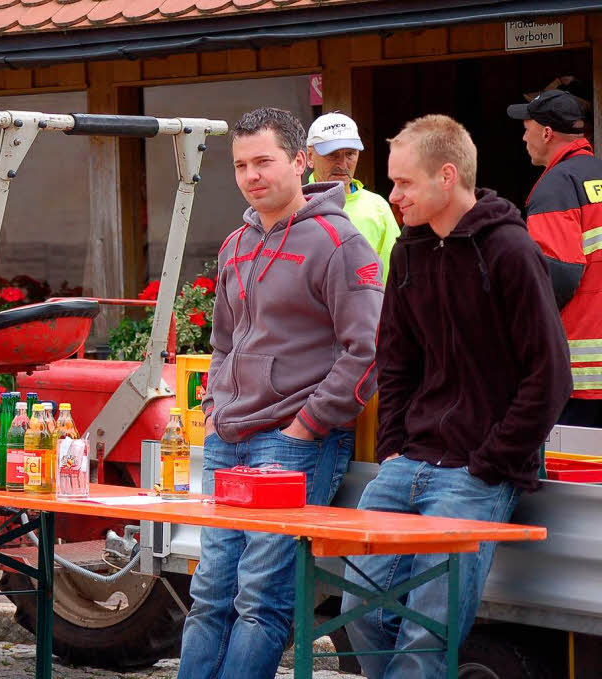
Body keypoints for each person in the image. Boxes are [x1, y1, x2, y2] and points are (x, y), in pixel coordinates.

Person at [342, 115, 571, 679]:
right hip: (408, 462)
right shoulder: (410, 253)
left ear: (448, 176)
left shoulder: (510, 250)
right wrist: (394, 443)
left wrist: (491, 461)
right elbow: (395, 360)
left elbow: (551, 375)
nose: (392, 196)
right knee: (358, 609)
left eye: (404, 183)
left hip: (476, 472)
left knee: (427, 631)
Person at [179, 108, 383, 679]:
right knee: (210, 595)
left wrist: (309, 424)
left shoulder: (340, 242)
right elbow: (221, 343)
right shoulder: (235, 245)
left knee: (260, 601)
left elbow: (366, 349)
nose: (251, 175)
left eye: (264, 161)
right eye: (241, 165)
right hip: (229, 440)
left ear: (299, 161)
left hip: (292, 445)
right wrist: (216, 406)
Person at [508, 89, 602, 427]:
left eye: (527, 127)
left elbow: (555, 273)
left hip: (579, 370)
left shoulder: (556, 186)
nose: (523, 136)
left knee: (576, 474)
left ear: (547, 133)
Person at [307, 111, 399, 281]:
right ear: (310, 156)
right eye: (332, 154)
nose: (342, 164)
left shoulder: (377, 207)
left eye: (350, 154)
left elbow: (394, 276)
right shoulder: (294, 206)